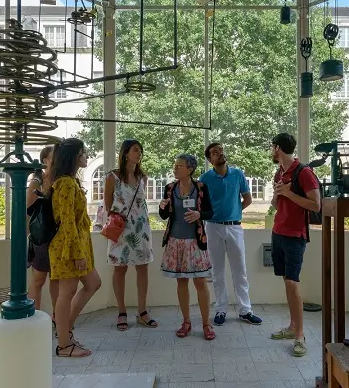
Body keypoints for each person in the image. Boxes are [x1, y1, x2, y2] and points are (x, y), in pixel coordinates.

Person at [268, 132, 320, 357]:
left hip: (295, 235)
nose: (271, 151)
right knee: (287, 282)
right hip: (278, 232)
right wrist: (278, 194)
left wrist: (289, 193)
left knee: (292, 282)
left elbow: (316, 206)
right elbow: (276, 204)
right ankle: (291, 327)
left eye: (272, 147)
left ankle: (300, 336)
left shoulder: (304, 172)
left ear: (278, 148)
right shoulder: (280, 172)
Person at [48, 138, 102, 357]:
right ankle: (64, 344)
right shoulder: (66, 184)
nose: (86, 157)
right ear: (73, 157)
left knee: (93, 282)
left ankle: (65, 332)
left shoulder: (68, 181)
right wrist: (76, 253)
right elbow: (67, 220)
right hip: (67, 246)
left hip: (74, 242)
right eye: (82, 153)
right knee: (67, 292)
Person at [200, 142, 262, 326]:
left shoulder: (237, 174)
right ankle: (220, 309)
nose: (219, 153)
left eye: (221, 150)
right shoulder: (205, 178)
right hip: (212, 227)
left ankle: (245, 310)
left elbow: (248, 199)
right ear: (210, 160)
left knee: (240, 270)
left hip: (234, 227)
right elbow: (201, 205)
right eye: (214, 152)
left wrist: (235, 212)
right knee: (217, 271)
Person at [159, 154, 217, 340]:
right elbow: (164, 215)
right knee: (181, 282)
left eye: (179, 165)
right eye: (175, 165)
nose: (175, 168)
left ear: (190, 169)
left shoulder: (201, 188)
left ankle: (206, 324)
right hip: (175, 242)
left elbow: (209, 212)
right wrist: (162, 206)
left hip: (195, 242)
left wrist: (199, 214)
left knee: (200, 283)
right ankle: (186, 322)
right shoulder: (170, 188)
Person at [104, 140, 156, 331]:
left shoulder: (143, 177)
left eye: (140, 150)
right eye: (135, 150)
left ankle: (142, 311)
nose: (139, 153)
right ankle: (122, 311)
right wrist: (114, 222)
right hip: (121, 228)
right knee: (120, 269)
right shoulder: (112, 176)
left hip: (141, 228)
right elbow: (107, 205)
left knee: (143, 268)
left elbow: (142, 204)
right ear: (125, 153)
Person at [26, 145, 61, 323]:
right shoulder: (37, 182)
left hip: (57, 235)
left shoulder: (62, 180)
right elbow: (28, 211)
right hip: (41, 237)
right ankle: (33, 317)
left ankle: (57, 317)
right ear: (45, 160)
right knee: (39, 279)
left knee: (57, 279)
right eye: (53, 156)